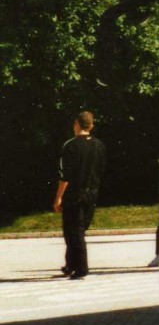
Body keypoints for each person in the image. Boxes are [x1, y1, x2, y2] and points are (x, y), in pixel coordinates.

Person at [54, 111, 106, 280]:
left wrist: (58, 197)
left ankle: (81, 267)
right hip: (92, 192)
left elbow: (65, 175)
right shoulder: (99, 145)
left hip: (74, 193)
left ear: (76, 123)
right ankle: (70, 265)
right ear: (91, 126)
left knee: (73, 233)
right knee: (78, 229)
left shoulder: (70, 145)